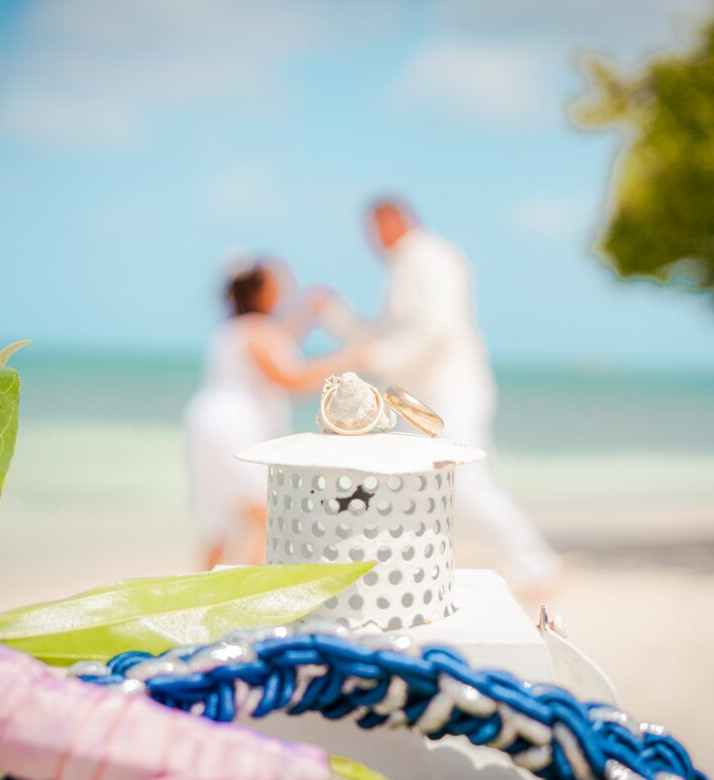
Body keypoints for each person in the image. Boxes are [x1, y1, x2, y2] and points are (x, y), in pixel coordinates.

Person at [323, 198, 561, 593]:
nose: (373, 241)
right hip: (420, 400)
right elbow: (382, 334)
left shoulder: (433, 258)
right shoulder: (404, 266)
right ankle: (402, 569)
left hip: (455, 388)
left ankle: (536, 563)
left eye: (376, 229)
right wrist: (335, 315)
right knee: (409, 484)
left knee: (466, 480)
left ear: (396, 221)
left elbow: (437, 330)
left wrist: (376, 355)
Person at [185, 259, 363, 568]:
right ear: (262, 292)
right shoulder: (258, 330)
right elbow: (289, 377)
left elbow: (283, 342)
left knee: (220, 522)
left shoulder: (233, 330)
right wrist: (348, 361)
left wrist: (308, 312)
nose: (285, 289)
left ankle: (195, 597)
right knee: (269, 512)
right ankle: (250, 594)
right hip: (232, 428)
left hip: (205, 423)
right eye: (278, 283)